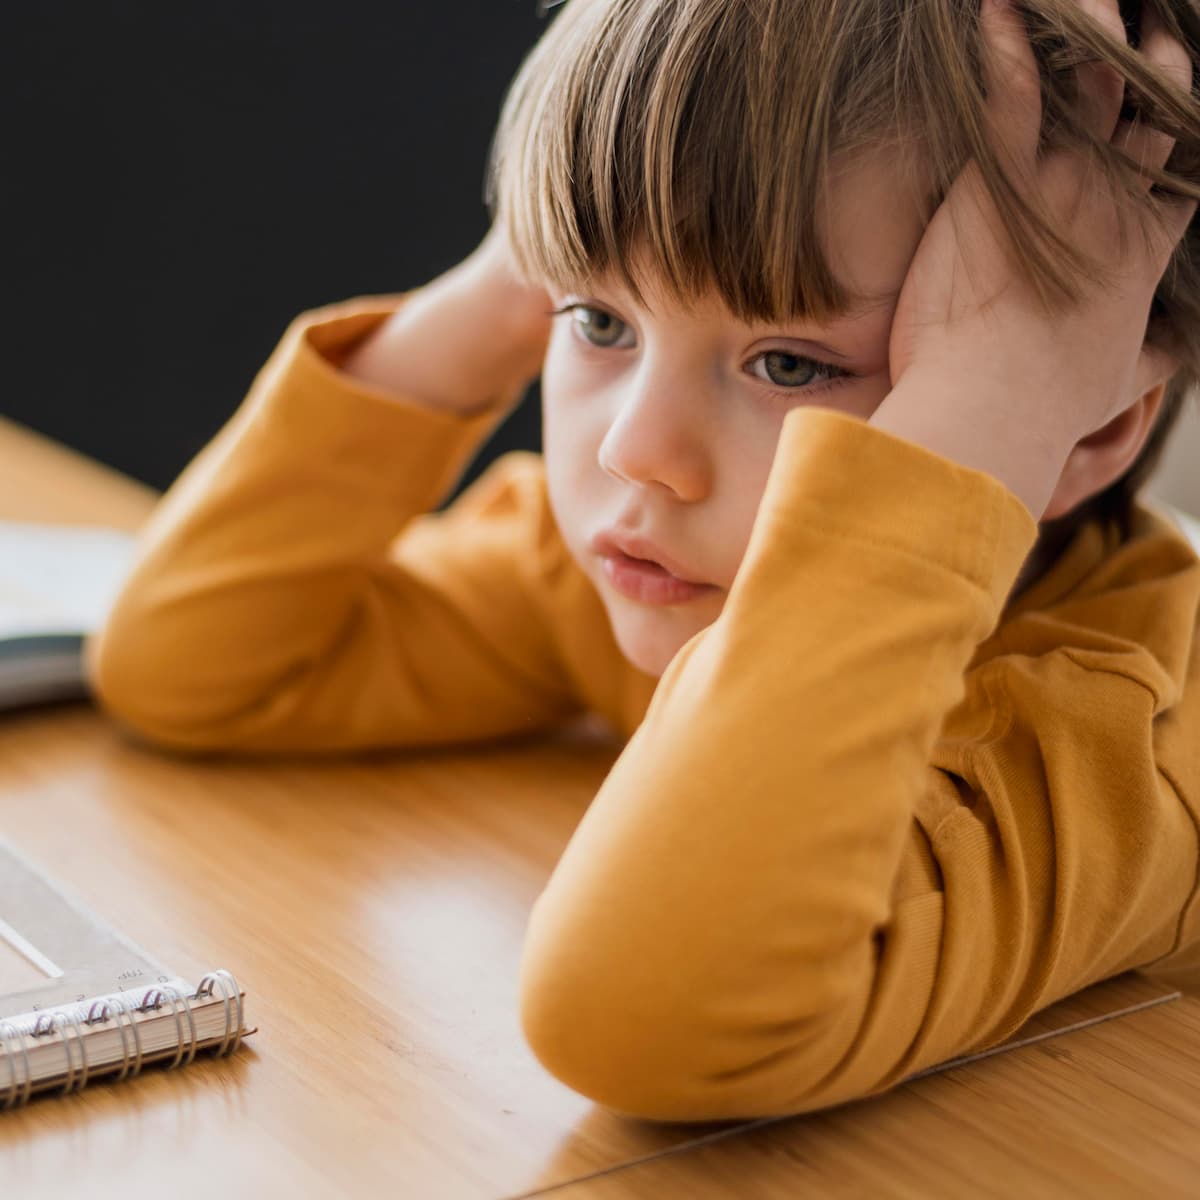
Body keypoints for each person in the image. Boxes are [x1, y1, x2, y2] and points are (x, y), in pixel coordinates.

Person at [87, 0, 1200, 1123]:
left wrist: (983, 421)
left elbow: (641, 1020)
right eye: (599, 324)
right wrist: (534, 251)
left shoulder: (1110, 754)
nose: (636, 451)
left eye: (793, 364)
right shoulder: (652, 572)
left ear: (1086, 422)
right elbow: (195, 659)